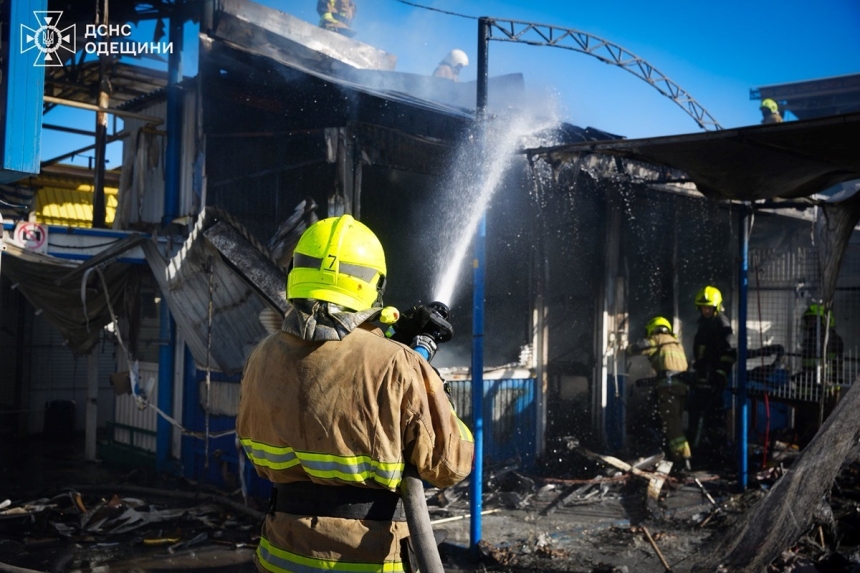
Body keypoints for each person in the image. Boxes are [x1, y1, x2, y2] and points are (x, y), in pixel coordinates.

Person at [236, 214, 474, 573]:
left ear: (296, 274)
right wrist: (436, 392)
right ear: (373, 284)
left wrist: (388, 342)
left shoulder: (262, 355)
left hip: (280, 554)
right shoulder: (398, 365)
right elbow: (449, 466)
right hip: (370, 560)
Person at [628, 316, 692, 469]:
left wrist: (625, 348)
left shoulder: (657, 339)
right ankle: (677, 456)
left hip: (668, 388)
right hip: (681, 388)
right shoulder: (676, 343)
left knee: (671, 424)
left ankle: (682, 459)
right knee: (676, 421)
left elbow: (640, 347)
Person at [690, 285, 736, 459]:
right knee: (699, 413)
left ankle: (717, 454)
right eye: (703, 307)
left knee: (714, 416)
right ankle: (702, 452)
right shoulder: (704, 323)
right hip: (704, 377)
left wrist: (721, 374)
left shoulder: (721, 323)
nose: (706, 310)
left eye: (709, 307)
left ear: (716, 307)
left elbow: (729, 353)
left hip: (714, 379)